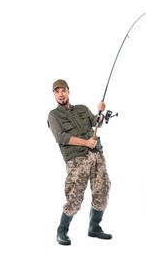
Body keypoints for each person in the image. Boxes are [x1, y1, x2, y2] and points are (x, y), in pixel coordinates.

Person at [47, 79, 112, 245]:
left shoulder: (82, 109)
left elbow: (97, 123)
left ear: (69, 91)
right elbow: (62, 137)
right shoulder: (53, 115)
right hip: (76, 160)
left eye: (63, 91)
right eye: (57, 91)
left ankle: (94, 228)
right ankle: (62, 231)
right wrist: (85, 143)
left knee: (102, 191)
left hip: (96, 155)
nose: (61, 94)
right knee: (74, 196)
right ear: (54, 95)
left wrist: (100, 112)